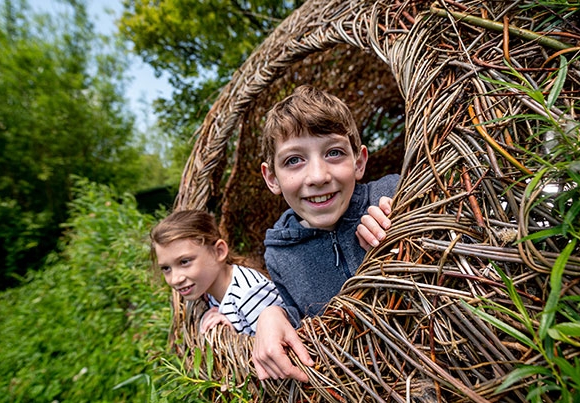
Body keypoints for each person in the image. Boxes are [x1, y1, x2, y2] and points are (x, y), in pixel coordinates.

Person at [253, 85, 400, 382]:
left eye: (333, 153)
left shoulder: (393, 194)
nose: (318, 177)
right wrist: (272, 315)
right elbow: (304, 318)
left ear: (358, 162)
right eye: (294, 160)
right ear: (272, 178)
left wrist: (404, 222)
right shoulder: (280, 253)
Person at [150, 209, 283, 336]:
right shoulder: (210, 290)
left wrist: (236, 337)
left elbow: (278, 344)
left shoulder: (249, 295)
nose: (175, 279)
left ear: (219, 251)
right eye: (166, 268)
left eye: (184, 262)